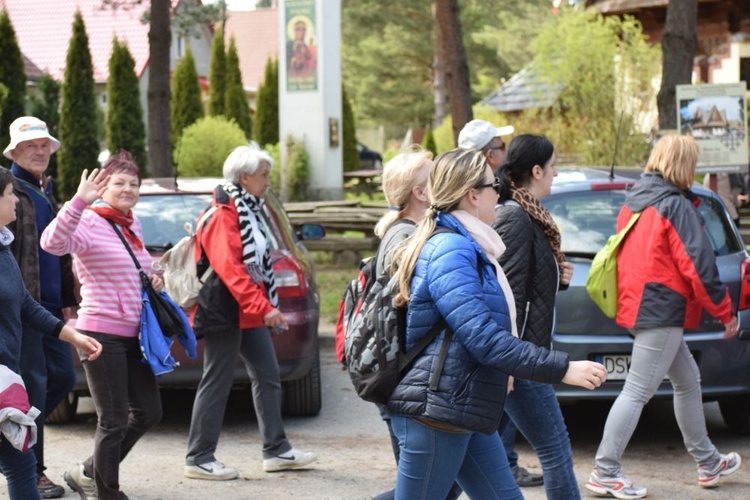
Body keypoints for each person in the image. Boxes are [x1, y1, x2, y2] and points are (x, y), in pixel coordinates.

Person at [386, 148, 607, 500]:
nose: (499, 193)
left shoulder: (473, 246)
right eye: (494, 186)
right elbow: (484, 338)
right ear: (472, 196)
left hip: (463, 407)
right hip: (437, 414)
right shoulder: (450, 250)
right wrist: (562, 368)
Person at [586, 135, 742, 499]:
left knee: (688, 382)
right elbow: (698, 265)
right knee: (638, 390)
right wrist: (725, 313)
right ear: (683, 164)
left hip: (639, 305)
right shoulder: (676, 206)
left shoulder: (635, 203)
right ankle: (605, 471)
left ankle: (708, 462)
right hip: (660, 309)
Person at [184, 144, 316, 480]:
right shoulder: (223, 214)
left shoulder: (247, 209)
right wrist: (264, 307)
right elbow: (230, 270)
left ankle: (277, 450)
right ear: (244, 178)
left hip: (245, 309)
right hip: (225, 308)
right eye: (263, 176)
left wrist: (260, 307)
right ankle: (199, 457)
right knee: (217, 380)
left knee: (268, 374)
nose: (268, 182)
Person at [40, 152, 165, 500]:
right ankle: (106, 492)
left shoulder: (131, 223)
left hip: (134, 333)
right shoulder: (90, 221)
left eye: (133, 184)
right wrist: (79, 201)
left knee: (149, 412)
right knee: (112, 420)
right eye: (119, 183)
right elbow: (51, 243)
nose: (128, 189)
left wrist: (153, 277)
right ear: (103, 187)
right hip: (100, 333)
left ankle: (86, 472)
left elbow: (133, 268)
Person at [0, 166, 101, 500]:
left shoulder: (4, 247)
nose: (16, 200)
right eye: (10, 194)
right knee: (20, 465)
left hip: (6, 376)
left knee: (20, 465)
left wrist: (71, 335)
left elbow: (25, 304)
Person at [370, 150, 465, 500]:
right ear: (419, 193)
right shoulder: (404, 238)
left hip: (409, 378)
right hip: (405, 379)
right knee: (428, 488)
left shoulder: (410, 233)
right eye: (433, 177)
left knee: (436, 486)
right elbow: (404, 314)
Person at [492, 134, 579, 498]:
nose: (557, 173)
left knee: (467, 460)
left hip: (525, 355)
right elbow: (504, 295)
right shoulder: (516, 216)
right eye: (554, 165)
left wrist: (558, 276)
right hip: (523, 359)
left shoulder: (531, 214)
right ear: (537, 170)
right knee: (556, 451)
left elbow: (528, 284)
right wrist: (511, 362)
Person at [3, 116, 77, 499]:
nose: (39, 150)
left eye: (44, 144)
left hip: (49, 310)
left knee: (62, 379)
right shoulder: (10, 189)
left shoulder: (43, 189)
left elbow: (58, 253)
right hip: (24, 309)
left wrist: (67, 302)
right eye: (30, 145)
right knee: (32, 388)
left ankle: (10, 435)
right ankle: (33, 472)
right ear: (14, 151)